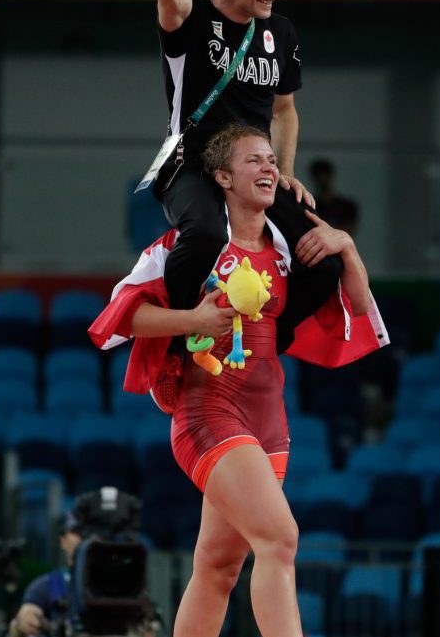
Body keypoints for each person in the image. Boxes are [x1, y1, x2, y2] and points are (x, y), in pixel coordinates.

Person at [90, 125, 381, 637]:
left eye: (273, 160)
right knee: (281, 539)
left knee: (218, 568)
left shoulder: (290, 249)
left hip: (270, 423)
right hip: (208, 415)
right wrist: (193, 322)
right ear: (222, 176)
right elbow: (120, 317)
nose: (270, 168)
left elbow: (356, 309)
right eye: (254, 161)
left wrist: (348, 249)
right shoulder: (190, 244)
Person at [148, 0, 343, 407]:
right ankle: (175, 350)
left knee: (322, 263)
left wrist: (286, 171)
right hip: (190, 164)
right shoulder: (192, 23)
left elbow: (283, 111)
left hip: (254, 170)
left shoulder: (280, 31)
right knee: (208, 232)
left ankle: (269, 339)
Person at [8, 513, 82, 637]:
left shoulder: (118, 585)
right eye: (77, 532)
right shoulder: (48, 585)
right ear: (63, 541)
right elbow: (29, 612)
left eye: (88, 532)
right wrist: (24, 621)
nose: (83, 538)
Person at [308, 159, 359, 235]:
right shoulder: (310, 205)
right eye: (320, 175)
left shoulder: (347, 205)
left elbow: (349, 229)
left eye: (325, 175)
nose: (323, 179)